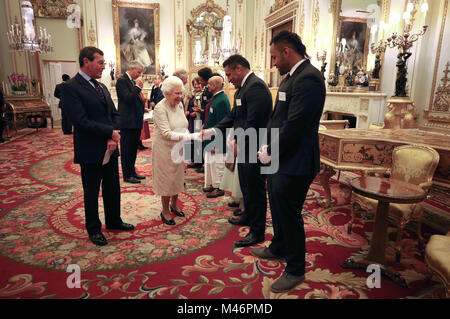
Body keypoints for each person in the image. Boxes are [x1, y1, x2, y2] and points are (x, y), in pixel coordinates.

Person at [255, 31, 326, 293]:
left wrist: (271, 150)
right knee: (276, 204)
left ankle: (296, 268)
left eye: (274, 56)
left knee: (290, 213)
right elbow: (279, 119)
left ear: (286, 51)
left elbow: (296, 124)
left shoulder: (309, 78)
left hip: (296, 160)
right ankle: (279, 246)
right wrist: (267, 147)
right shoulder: (291, 77)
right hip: (280, 156)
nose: (272, 62)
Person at [62, 46, 134, 246]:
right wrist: (109, 132)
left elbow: (115, 114)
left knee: (113, 187)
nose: (104, 67)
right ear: (86, 62)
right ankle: (93, 229)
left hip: (110, 147)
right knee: (92, 191)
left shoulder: (101, 87)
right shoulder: (71, 87)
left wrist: (112, 136)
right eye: (100, 62)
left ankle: (114, 220)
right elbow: (81, 120)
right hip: (90, 148)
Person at [202, 54, 272, 248]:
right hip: (243, 146)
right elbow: (235, 115)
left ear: (239, 68)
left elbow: (254, 121)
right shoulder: (243, 89)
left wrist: (239, 143)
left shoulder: (256, 87)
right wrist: (214, 130)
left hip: (254, 146)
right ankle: (248, 216)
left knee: (256, 190)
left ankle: (257, 232)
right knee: (246, 185)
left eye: (229, 74)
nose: (228, 79)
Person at [152, 76, 198, 226]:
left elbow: (183, 124)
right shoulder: (160, 108)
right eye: (176, 93)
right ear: (166, 93)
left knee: (177, 177)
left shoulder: (179, 105)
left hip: (178, 147)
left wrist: (185, 136)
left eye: (181, 93)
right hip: (164, 148)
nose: (180, 97)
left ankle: (174, 205)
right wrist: (189, 136)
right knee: (167, 179)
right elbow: (165, 133)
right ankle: (165, 210)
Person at [116, 60, 146, 184]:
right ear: (132, 68)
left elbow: (134, 100)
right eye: (138, 72)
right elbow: (127, 99)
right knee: (127, 150)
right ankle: (127, 175)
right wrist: (138, 87)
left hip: (135, 121)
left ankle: (132, 172)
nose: (139, 74)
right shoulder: (122, 80)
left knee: (133, 149)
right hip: (128, 122)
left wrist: (143, 108)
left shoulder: (132, 81)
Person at [203, 75, 230, 198]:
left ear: (214, 85)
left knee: (217, 164)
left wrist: (218, 144)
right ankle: (211, 184)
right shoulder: (216, 98)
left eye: (209, 84)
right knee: (210, 163)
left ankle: (219, 187)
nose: (207, 86)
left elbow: (224, 125)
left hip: (217, 140)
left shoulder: (222, 100)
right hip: (210, 137)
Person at [186, 77, 203, 165]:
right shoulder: (191, 94)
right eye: (195, 84)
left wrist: (196, 113)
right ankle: (193, 158)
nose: (196, 86)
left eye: (198, 84)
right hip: (190, 120)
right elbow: (188, 105)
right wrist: (188, 111)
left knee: (198, 139)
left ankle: (198, 161)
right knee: (191, 138)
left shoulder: (203, 94)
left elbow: (202, 108)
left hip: (198, 119)